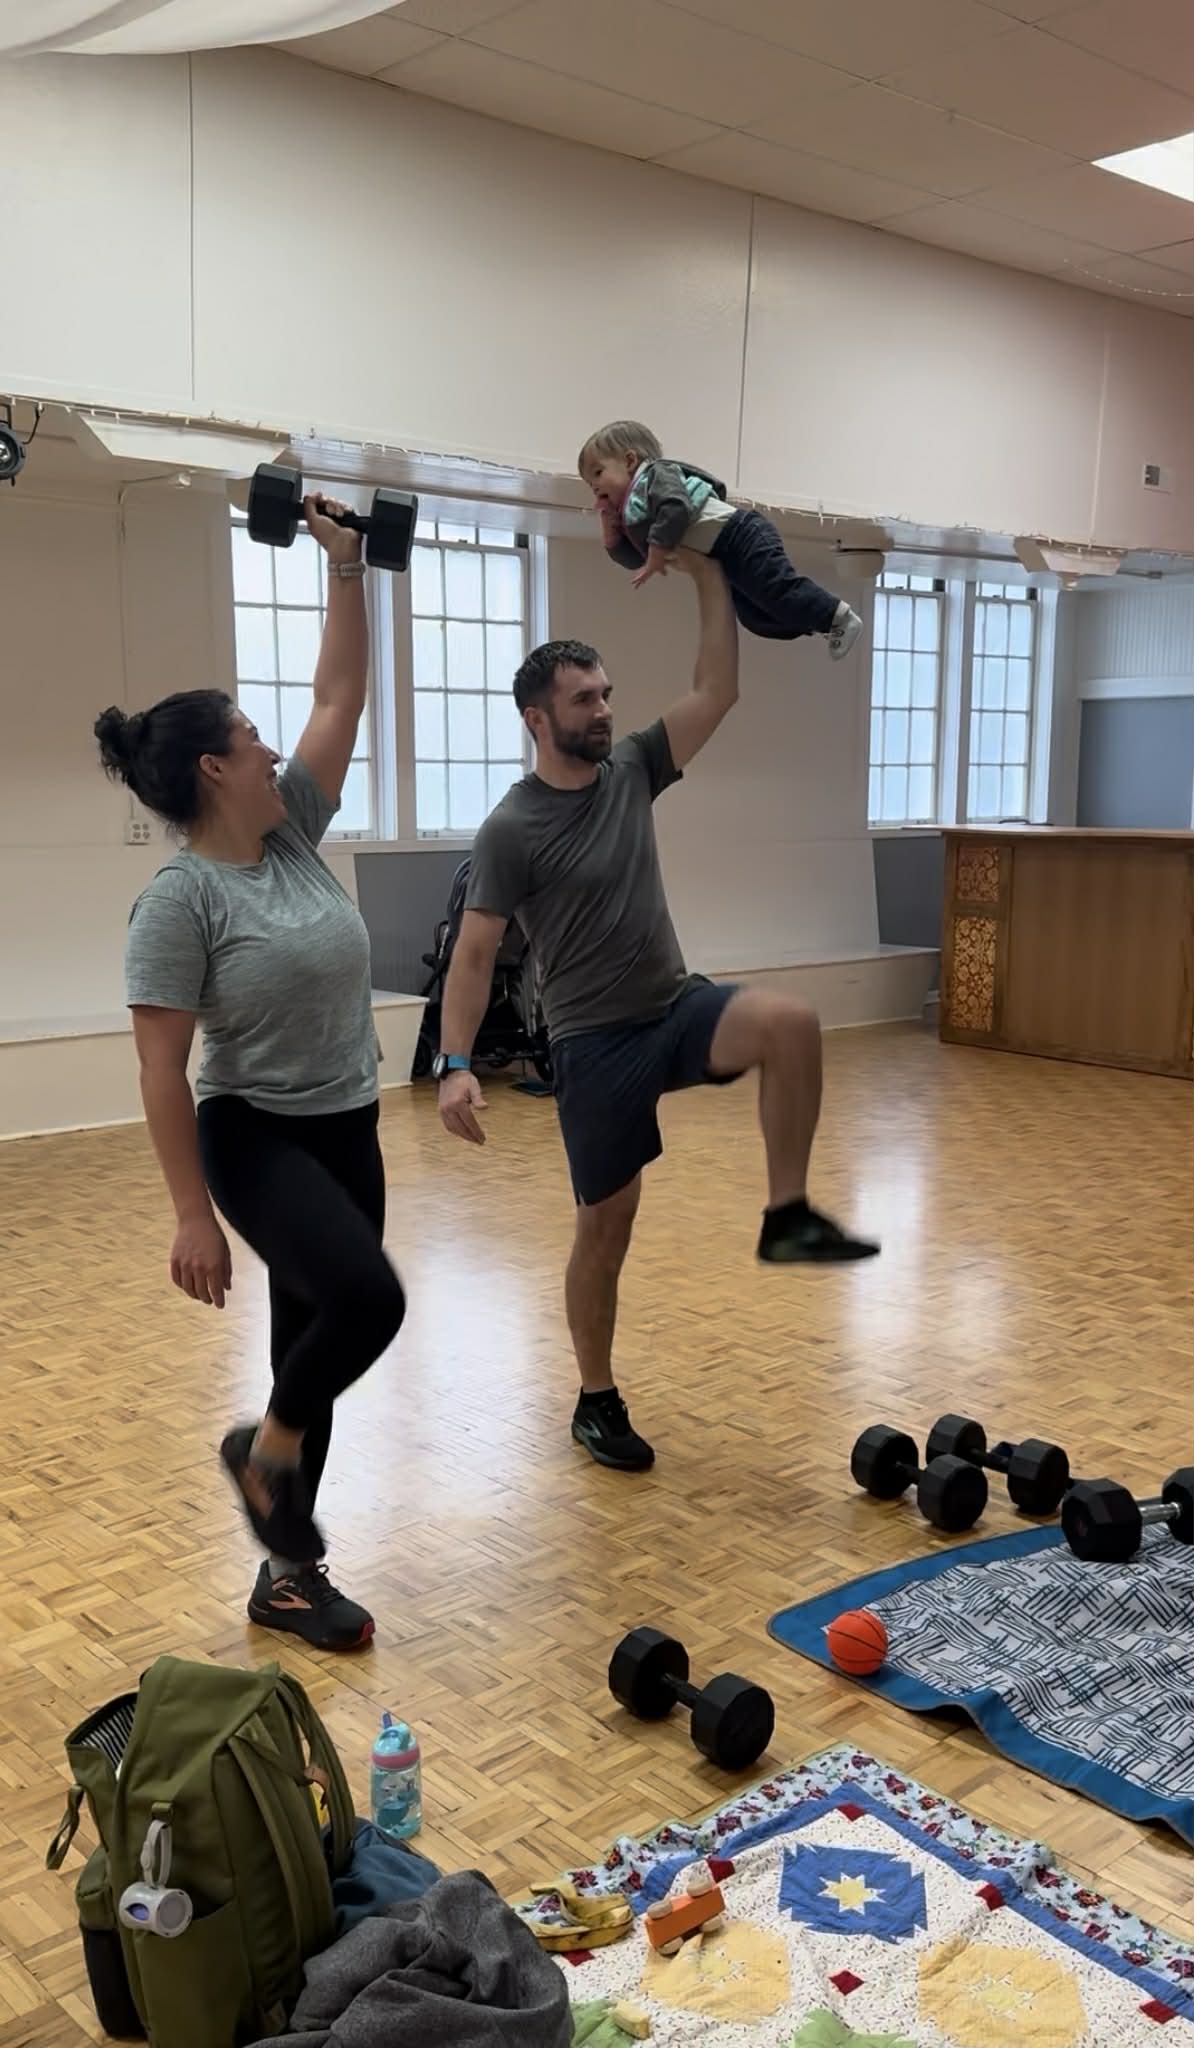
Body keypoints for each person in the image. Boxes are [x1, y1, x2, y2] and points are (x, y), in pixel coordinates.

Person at [436, 551, 877, 1475]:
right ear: (537, 718)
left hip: (672, 1006)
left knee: (791, 1024)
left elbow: (717, 689)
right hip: (593, 1044)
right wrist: (455, 1063)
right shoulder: (511, 828)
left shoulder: (635, 767)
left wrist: (709, 568)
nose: (602, 709)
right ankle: (595, 1400)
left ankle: (788, 1212)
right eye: (583, 699)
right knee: (608, 1225)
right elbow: (475, 952)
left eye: (604, 693)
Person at [94, 493, 405, 1651]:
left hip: (349, 1121)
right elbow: (162, 1069)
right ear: (217, 768)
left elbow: (340, 696)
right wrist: (193, 1214)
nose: (280, 743)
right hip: (254, 1133)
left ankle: (288, 1571)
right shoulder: (181, 901)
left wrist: (346, 567)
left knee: (306, 1341)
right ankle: (263, 1453)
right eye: (255, 735)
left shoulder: (290, 832)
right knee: (368, 1299)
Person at [578, 418, 862, 660]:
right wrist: (611, 531)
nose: (595, 487)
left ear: (630, 461)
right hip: (725, 557)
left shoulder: (656, 475)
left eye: (598, 473)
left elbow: (676, 508)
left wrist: (656, 553)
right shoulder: (634, 512)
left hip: (741, 534)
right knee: (755, 617)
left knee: (776, 589)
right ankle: (815, 621)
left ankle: (838, 615)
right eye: (590, 485)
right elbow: (633, 558)